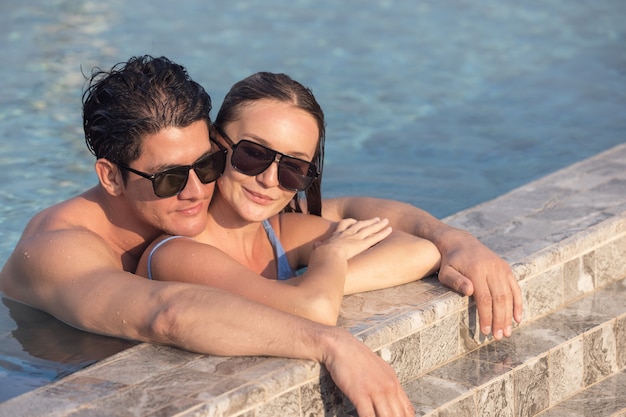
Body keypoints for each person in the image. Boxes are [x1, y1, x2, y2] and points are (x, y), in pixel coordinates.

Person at [0, 55, 521, 416]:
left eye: (206, 164)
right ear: (111, 177)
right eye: (167, 178)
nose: (195, 191)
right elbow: (167, 312)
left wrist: (455, 241)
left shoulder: (202, 206)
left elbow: (349, 209)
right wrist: (329, 341)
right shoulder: (61, 247)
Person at [137, 71, 441, 325]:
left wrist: (305, 286)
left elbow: (419, 251)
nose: (269, 180)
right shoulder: (177, 254)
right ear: (216, 145)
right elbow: (314, 308)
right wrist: (330, 259)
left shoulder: (279, 233)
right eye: (253, 154)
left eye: (293, 169)